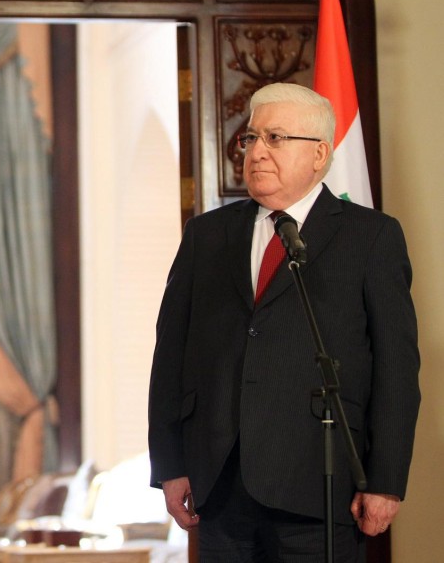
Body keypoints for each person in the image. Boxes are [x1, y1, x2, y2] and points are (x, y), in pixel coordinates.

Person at [148, 83, 420, 561]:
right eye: (251, 138)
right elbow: (170, 356)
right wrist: (170, 465)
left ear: (319, 154)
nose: (257, 152)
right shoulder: (206, 235)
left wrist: (386, 482)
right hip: (219, 484)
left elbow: (396, 369)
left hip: (318, 486)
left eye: (275, 138)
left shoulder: (371, 237)